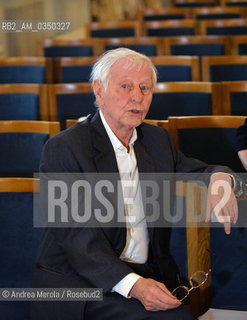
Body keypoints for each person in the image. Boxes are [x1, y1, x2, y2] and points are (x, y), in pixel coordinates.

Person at [31, 48, 241, 320]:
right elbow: (78, 241)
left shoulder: (156, 140)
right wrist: (136, 286)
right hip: (82, 284)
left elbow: (199, 170)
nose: (137, 97)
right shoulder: (64, 149)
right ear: (99, 90)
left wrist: (220, 178)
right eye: (125, 86)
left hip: (145, 275)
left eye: (145, 88)